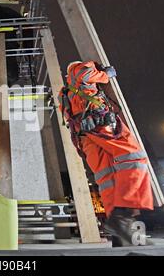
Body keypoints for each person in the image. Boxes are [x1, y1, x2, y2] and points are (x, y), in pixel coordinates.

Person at [58, 60, 154, 247]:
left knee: (107, 179)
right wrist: (105, 75)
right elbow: (85, 75)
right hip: (101, 126)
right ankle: (124, 214)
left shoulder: (65, 93)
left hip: (85, 137)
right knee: (134, 158)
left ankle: (120, 234)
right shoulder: (81, 68)